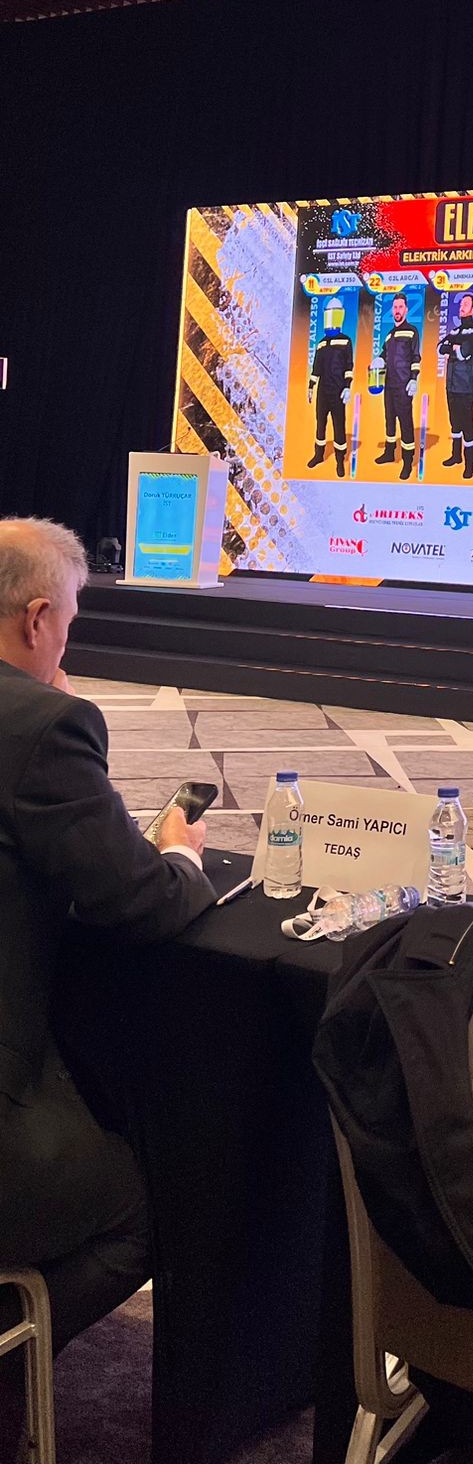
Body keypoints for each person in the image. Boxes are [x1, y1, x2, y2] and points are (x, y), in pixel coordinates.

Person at [0, 517, 214, 1441]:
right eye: (70, 621)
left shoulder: (35, 721)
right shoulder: (45, 727)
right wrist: (181, 857)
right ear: (38, 619)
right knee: (153, 1210)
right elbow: (138, 900)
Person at [375, 293, 422, 480]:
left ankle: (407, 462)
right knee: (389, 420)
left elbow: (416, 357)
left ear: (406, 310)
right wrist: (378, 359)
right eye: (395, 307)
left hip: (404, 385)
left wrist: (414, 379)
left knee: (405, 422)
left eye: (400, 307)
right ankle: (389, 452)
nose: (397, 310)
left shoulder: (411, 331)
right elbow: (384, 354)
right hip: (389, 385)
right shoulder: (389, 335)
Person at [439, 289, 473, 481]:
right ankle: (455, 456)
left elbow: (465, 352)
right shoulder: (454, 331)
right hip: (450, 385)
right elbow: (440, 348)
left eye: (466, 304)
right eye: (461, 304)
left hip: (465, 387)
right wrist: (454, 348)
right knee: (454, 423)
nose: (461, 307)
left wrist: (454, 349)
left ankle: (469, 465)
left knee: (467, 426)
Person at [307, 298, 354, 478]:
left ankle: (340, 461)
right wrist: (311, 386)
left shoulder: (346, 341)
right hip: (322, 392)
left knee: (338, 425)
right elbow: (316, 368)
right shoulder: (321, 343)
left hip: (338, 391)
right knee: (320, 424)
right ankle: (318, 455)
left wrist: (347, 387)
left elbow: (349, 366)